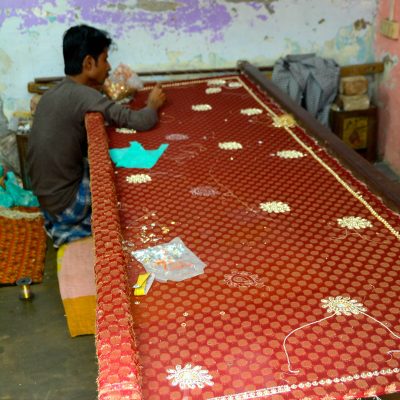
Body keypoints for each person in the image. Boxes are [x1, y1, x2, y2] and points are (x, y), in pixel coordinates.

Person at [27, 24, 166, 248]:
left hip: (48, 203)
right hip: (66, 206)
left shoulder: (53, 93)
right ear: (89, 63)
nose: (109, 67)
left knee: (97, 160)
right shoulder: (84, 95)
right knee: (123, 185)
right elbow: (140, 121)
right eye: (105, 59)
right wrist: (152, 105)